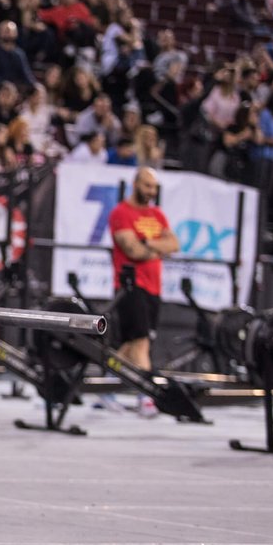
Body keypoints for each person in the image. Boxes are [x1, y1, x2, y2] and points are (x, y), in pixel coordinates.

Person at [109, 168, 179, 418]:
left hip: (153, 286)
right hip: (130, 285)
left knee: (128, 346)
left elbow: (175, 244)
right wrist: (156, 248)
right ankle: (146, 397)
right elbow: (133, 251)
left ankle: (106, 389)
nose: (151, 191)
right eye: (147, 186)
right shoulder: (121, 213)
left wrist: (148, 244)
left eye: (154, 188)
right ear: (136, 184)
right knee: (141, 342)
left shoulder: (157, 214)